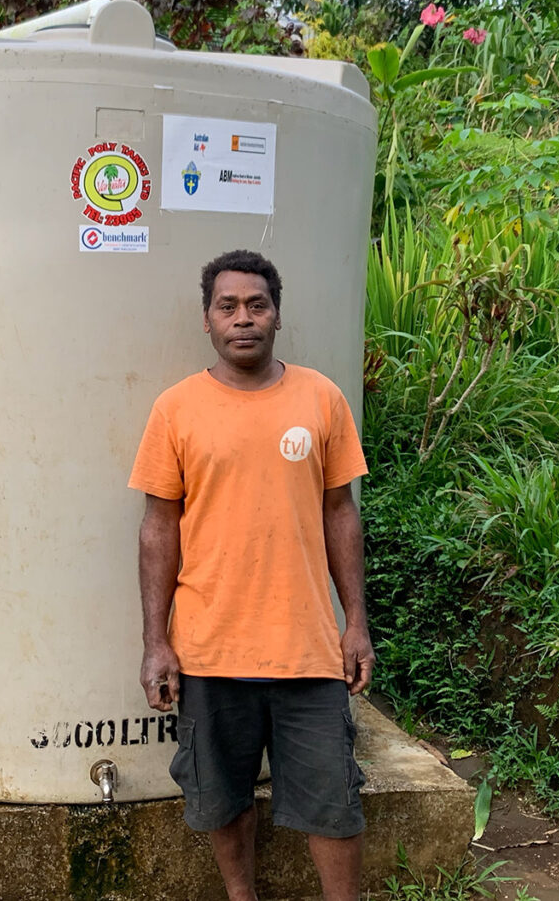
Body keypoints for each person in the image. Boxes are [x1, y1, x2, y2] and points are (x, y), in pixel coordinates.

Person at [128, 249, 374, 901]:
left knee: (333, 799)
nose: (244, 318)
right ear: (206, 319)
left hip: (309, 649)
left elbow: (340, 514)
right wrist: (157, 640)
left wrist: (356, 623)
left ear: (277, 316)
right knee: (220, 796)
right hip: (210, 648)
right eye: (228, 306)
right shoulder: (176, 409)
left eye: (257, 305)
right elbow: (159, 527)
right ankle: (243, 895)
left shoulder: (321, 397)